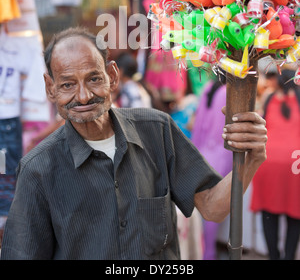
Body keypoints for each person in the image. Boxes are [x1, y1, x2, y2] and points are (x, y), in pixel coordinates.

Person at [1, 27, 267, 260]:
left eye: (94, 79)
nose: (82, 97)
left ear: (112, 76)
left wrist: (250, 158)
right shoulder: (38, 170)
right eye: (68, 85)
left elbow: (212, 206)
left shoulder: (157, 131)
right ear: (50, 88)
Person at [250, 68, 300, 260]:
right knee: (295, 214)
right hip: (295, 164)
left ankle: (273, 256)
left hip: (268, 162)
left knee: (269, 213)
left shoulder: (269, 99)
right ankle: (289, 256)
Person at [191, 76, 232, 260]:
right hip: (221, 155)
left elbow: (198, 124)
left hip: (202, 152)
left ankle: (202, 251)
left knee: (202, 206)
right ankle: (208, 254)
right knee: (215, 207)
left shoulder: (209, 88)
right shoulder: (227, 92)